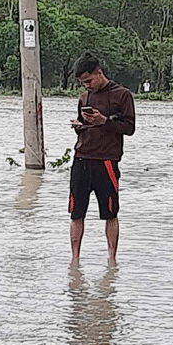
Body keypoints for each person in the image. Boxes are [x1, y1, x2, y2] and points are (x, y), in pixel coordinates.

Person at [69, 51, 136, 263]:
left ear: (99, 73)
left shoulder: (122, 95)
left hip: (107, 160)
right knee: (76, 212)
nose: (87, 85)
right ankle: (75, 260)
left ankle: (112, 259)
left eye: (89, 80)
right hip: (81, 158)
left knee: (110, 212)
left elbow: (130, 127)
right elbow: (84, 125)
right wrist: (80, 126)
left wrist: (105, 121)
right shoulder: (84, 98)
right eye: (82, 83)